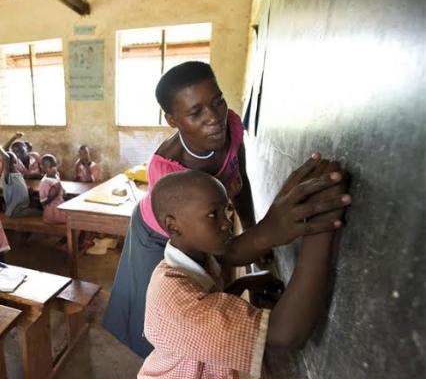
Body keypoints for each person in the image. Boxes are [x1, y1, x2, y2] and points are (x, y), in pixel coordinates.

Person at [102, 61, 353, 358]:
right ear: (172, 120)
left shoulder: (229, 126)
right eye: (196, 112)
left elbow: (238, 178)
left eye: (218, 101)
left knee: (200, 290)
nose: (214, 118)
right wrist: (269, 231)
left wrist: (252, 227)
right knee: (163, 316)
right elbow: (224, 252)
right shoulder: (169, 171)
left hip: (194, 222)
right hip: (158, 235)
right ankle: (164, 370)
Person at [133, 167, 350, 379]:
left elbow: (224, 273)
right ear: (173, 225)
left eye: (226, 209)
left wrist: (244, 283)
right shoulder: (179, 303)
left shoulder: (194, 257)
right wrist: (319, 232)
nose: (226, 222)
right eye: (212, 215)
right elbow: (285, 334)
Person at [0, 145, 41, 218]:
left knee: (38, 205)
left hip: (23, 206)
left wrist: (26, 190)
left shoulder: (17, 173)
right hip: (16, 210)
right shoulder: (8, 175)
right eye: (11, 161)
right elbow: (6, 157)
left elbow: (18, 186)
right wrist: (1, 148)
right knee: (40, 213)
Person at [39, 154, 67, 224]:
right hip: (52, 212)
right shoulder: (45, 182)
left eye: (55, 165)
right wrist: (55, 194)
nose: (54, 169)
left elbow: (59, 186)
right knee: (73, 219)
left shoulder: (56, 175)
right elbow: (43, 202)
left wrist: (62, 191)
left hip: (60, 206)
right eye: (50, 167)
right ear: (44, 168)